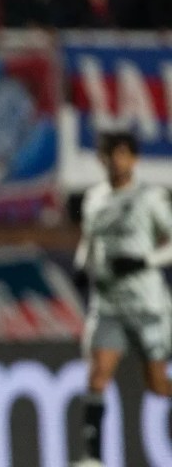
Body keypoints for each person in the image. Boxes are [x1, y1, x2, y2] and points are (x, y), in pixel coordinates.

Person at [72, 132, 172, 467]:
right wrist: (80, 266)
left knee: (157, 384)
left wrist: (144, 262)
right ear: (102, 159)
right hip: (109, 304)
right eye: (111, 154)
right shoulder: (94, 199)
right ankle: (93, 458)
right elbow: (89, 239)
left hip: (146, 304)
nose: (118, 160)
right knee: (98, 374)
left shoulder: (150, 197)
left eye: (124, 154)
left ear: (135, 158)